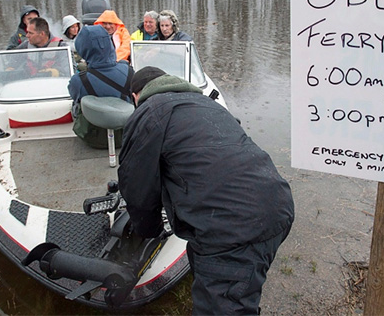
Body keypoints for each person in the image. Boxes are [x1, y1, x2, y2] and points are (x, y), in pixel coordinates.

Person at [117, 66, 295, 314]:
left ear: (136, 95)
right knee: (237, 287)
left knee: (224, 305)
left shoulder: (148, 111)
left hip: (232, 225)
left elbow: (134, 183)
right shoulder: (207, 104)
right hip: (277, 202)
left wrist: (149, 229)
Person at [68, 25, 133, 148]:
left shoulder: (79, 80)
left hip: (92, 138)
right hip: (126, 135)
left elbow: (74, 95)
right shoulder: (128, 71)